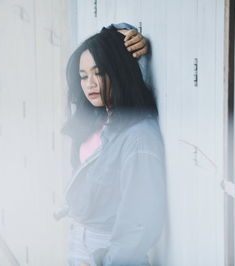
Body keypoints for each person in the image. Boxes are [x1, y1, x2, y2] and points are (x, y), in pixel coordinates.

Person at [56, 25, 166, 266]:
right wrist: (121, 30)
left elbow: (140, 224)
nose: (90, 84)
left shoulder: (139, 137)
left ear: (118, 71)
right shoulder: (100, 118)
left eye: (99, 72)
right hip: (80, 240)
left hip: (106, 251)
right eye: (83, 76)